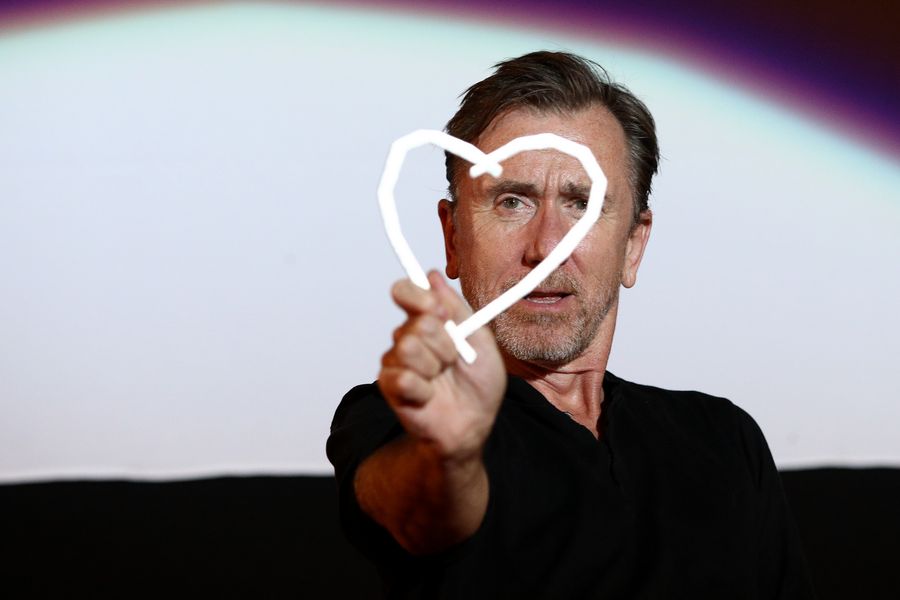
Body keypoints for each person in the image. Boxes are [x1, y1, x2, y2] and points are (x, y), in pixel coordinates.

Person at [327, 51, 815, 598]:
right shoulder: (403, 420)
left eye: (582, 204)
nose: (546, 248)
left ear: (633, 245)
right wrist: (451, 454)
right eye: (512, 202)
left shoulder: (724, 438)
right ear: (453, 238)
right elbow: (420, 514)